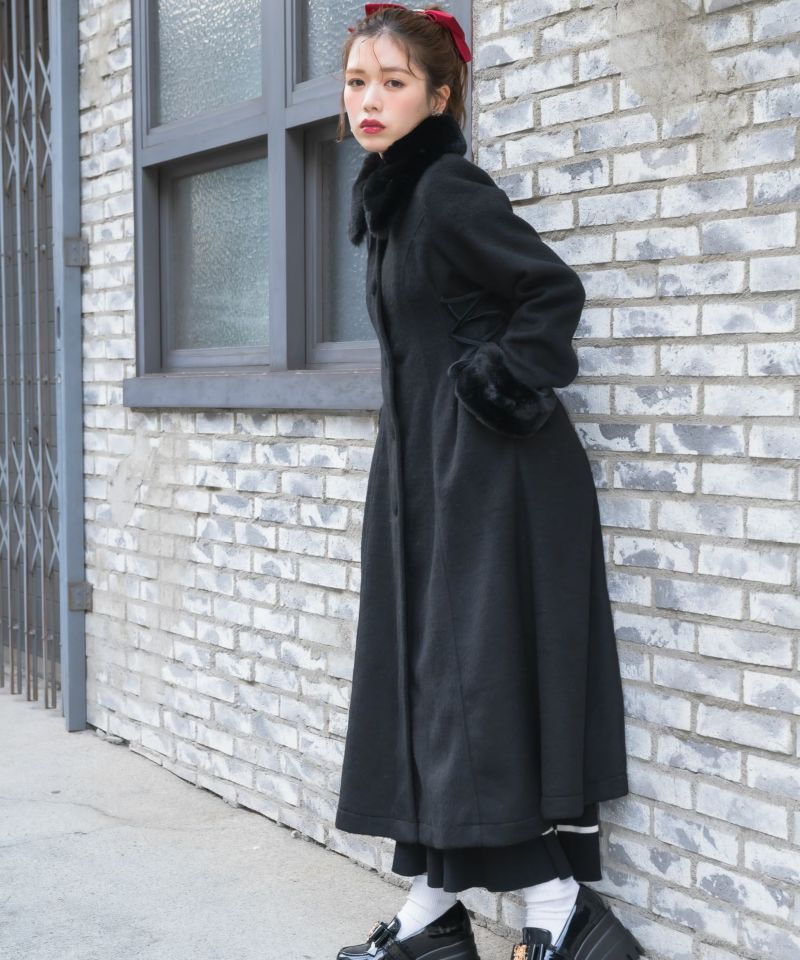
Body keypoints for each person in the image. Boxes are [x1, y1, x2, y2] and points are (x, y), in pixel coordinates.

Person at [333, 6, 643, 960]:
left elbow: (551, 291)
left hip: (494, 478)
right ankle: (434, 912)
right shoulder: (394, 201)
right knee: (428, 689)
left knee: (474, 692)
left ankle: (562, 910)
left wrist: (491, 387)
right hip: (427, 478)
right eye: (357, 81)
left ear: (439, 96)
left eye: (393, 82)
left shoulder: (446, 190)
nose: (370, 100)